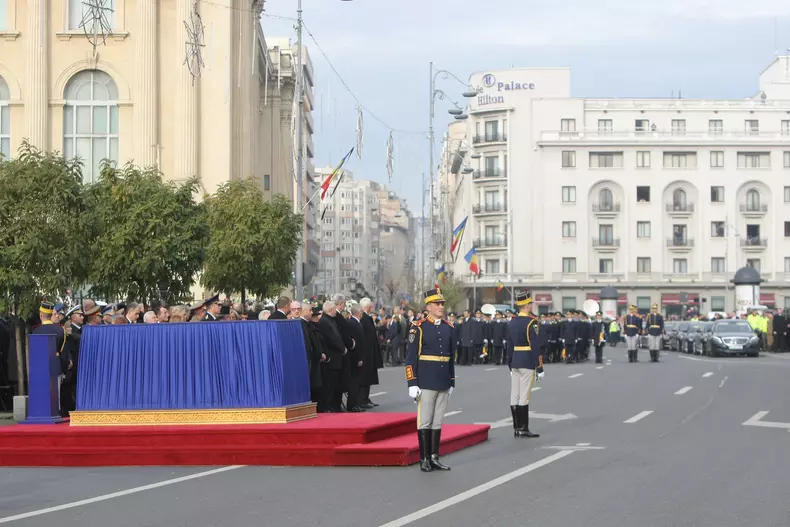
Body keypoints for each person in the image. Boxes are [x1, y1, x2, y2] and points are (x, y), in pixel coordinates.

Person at [405, 287, 455, 472]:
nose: (441, 306)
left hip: (442, 380)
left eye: (442, 303)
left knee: (438, 421)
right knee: (425, 420)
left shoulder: (448, 327)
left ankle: (434, 456)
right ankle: (424, 458)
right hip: (425, 380)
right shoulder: (418, 327)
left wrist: (452, 381)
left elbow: (451, 357)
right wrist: (412, 383)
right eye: (437, 304)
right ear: (428, 307)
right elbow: (410, 358)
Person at [505, 290, 541, 439]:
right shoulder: (532, 323)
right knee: (524, 396)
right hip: (526, 360)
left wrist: (509, 363)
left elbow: (509, 345)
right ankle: (523, 427)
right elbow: (535, 346)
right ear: (526, 306)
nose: (531, 306)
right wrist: (540, 367)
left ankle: (516, 428)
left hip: (515, 361)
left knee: (515, 394)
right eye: (530, 304)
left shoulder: (512, 322)